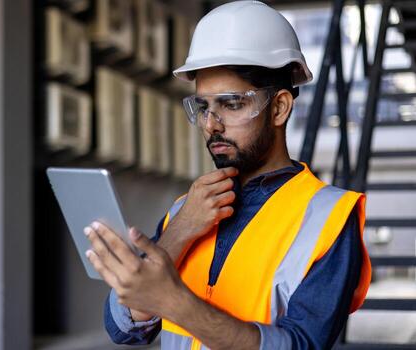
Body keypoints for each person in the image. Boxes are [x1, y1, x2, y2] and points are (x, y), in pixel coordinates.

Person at [83, 1, 371, 349]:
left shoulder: (329, 219)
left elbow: (301, 345)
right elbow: (123, 328)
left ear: (279, 107)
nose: (210, 124)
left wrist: (175, 303)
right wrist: (179, 232)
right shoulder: (185, 209)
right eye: (203, 106)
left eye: (231, 104)